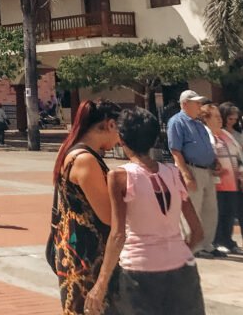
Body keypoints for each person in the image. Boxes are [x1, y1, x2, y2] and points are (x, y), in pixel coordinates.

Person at [84, 108, 205, 315]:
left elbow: (118, 234)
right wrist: (176, 252)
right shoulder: (174, 173)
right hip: (183, 269)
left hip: (139, 271)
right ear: (155, 139)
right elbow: (197, 232)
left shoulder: (119, 177)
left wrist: (101, 284)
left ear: (122, 139)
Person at [49, 99, 121, 315]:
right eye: (119, 130)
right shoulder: (85, 160)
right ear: (110, 124)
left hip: (74, 245)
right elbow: (108, 216)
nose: (120, 139)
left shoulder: (70, 150)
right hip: (87, 254)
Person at [167, 90, 219, 256]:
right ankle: (193, 246)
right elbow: (175, 150)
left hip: (207, 170)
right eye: (196, 103)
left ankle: (206, 244)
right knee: (193, 209)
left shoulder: (198, 123)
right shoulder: (177, 122)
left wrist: (214, 161)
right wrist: (186, 174)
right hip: (192, 170)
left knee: (210, 209)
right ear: (184, 104)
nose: (199, 105)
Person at [207, 102, 239, 254]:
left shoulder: (227, 135)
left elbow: (238, 155)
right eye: (217, 117)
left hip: (232, 181)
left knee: (229, 213)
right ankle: (217, 240)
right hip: (218, 182)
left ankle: (228, 240)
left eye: (220, 117)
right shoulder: (209, 136)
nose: (220, 120)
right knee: (219, 213)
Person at [217, 103, 243, 253]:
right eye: (230, 118)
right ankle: (221, 240)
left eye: (235, 119)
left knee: (234, 211)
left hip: (237, 178)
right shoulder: (216, 134)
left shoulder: (238, 135)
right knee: (222, 211)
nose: (232, 122)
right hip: (221, 179)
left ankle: (229, 240)